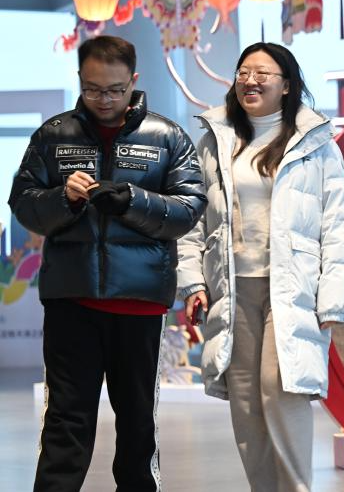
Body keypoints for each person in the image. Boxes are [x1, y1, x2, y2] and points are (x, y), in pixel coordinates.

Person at [8, 35, 207, 491]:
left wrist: (133, 201)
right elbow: (24, 203)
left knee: (137, 424)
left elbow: (190, 208)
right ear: (80, 79)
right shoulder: (53, 136)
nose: (105, 100)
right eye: (94, 89)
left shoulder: (167, 137)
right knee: (65, 422)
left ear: (133, 80)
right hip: (71, 301)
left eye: (116, 89)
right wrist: (63, 199)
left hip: (140, 304)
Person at [176, 42, 344, 492]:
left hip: (292, 287)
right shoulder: (215, 140)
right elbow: (194, 221)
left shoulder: (316, 144)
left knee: (282, 389)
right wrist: (193, 283)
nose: (250, 81)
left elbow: (338, 224)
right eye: (243, 73)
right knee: (245, 400)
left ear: (287, 85)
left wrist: (334, 297)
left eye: (262, 74)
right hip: (233, 288)